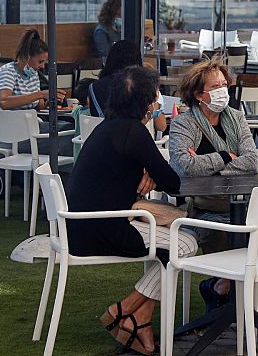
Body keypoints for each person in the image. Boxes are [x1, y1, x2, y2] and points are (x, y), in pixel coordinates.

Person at [67, 66, 197, 355]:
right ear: (146, 102)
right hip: (103, 229)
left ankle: (140, 319)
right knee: (186, 243)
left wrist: (147, 169)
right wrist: (151, 169)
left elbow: (149, 172)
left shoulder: (107, 128)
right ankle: (122, 310)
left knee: (165, 246)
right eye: (155, 96)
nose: (158, 100)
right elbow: (173, 182)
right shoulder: (134, 132)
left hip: (82, 226)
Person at [169, 59, 258, 311]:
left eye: (224, 84)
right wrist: (226, 156)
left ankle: (221, 288)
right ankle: (228, 295)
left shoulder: (237, 118)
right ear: (199, 94)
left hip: (242, 204)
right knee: (222, 231)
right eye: (215, 86)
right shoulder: (184, 123)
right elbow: (184, 166)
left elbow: (252, 162)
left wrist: (207, 166)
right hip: (204, 209)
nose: (223, 90)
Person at [89, 40, 166, 134]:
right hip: (137, 139)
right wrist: (155, 101)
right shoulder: (143, 85)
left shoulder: (94, 88)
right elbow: (161, 126)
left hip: (101, 139)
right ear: (137, 60)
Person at [0, 29, 66, 110]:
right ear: (27, 57)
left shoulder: (33, 74)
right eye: (40, 61)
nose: (43, 66)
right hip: (6, 121)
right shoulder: (7, 72)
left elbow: (39, 106)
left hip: (26, 119)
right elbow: (5, 102)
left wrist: (49, 100)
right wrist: (41, 94)